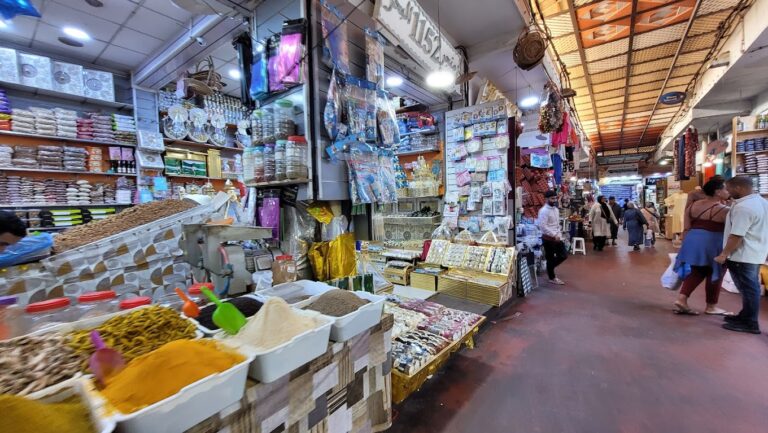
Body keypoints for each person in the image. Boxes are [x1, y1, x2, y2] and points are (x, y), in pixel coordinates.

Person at [715, 176, 768, 334]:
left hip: (742, 255)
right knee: (749, 288)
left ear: (738, 188)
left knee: (748, 289)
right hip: (755, 252)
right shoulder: (761, 202)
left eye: (729, 188)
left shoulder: (744, 208)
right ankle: (745, 316)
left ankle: (750, 323)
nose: (727, 192)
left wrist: (724, 254)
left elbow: (737, 236)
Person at [672, 178, 731, 315]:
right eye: (725, 189)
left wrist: (685, 242)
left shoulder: (693, 205)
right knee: (716, 271)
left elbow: (686, 226)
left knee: (697, 270)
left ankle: (682, 299)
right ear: (718, 192)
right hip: (712, 242)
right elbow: (732, 230)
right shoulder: (724, 210)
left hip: (692, 240)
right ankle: (711, 306)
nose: (728, 191)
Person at [537, 190, 568, 285]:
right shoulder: (543, 211)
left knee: (563, 255)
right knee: (550, 258)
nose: (554, 200)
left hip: (557, 237)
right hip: (548, 239)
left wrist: (558, 234)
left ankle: (549, 268)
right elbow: (543, 226)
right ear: (546, 199)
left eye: (555, 198)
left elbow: (557, 224)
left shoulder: (556, 210)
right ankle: (552, 277)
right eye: (552, 198)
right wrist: (553, 235)